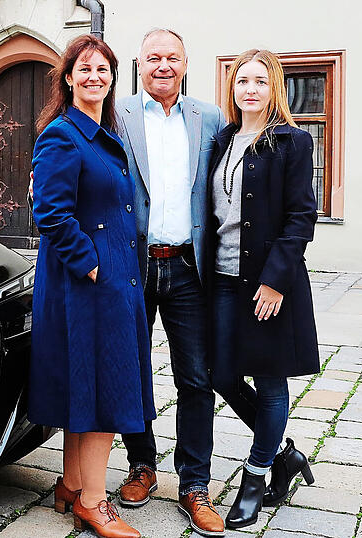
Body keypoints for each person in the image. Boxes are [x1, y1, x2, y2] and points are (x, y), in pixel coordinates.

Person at [30, 34, 151, 538]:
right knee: (105, 388)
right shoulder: (62, 135)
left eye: (103, 70)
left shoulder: (103, 134)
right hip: (88, 285)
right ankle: (96, 503)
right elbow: (50, 213)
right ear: (68, 77)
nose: (95, 77)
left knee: (88, 385)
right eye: (85, 69)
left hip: (111, 281)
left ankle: (71, 484)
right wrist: (91, 265)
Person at [114, 29, 226, 537]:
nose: (162, 64)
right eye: (152, 57)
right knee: (133, 371)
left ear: (185, 64)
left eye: (172, 57)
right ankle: (141, 465)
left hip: (187, 266)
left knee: (196, 378)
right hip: (134, 265)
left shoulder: (209, 118)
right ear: (138, 65)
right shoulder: (116, 117)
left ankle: (194, 483)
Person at [206, 48, 319, 529]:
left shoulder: (292, 142)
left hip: (269, 282)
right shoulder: (223, 139)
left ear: (274, 87)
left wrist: (275, 281)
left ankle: (256, 477)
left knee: (270, 382)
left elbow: (301, 217)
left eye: (260, 80)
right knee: (221, 375)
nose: (250, 89)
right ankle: (285, 454)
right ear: (232, 89)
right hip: (223, 279)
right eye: (241, 81)